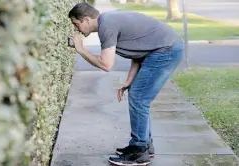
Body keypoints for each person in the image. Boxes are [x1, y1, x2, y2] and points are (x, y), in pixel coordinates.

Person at [67, 2, 184, 166]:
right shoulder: (108, 21)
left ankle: (139, 151)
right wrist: (128, 81)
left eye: (76, 24)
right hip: (163, 48)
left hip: (167, 50)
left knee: (139, 98)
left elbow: (106, 65)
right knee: (137, 95)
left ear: (86, 19)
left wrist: (81, 50)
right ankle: (144, 145)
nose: (77, 29)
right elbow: (139, 50)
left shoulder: (106, 26)